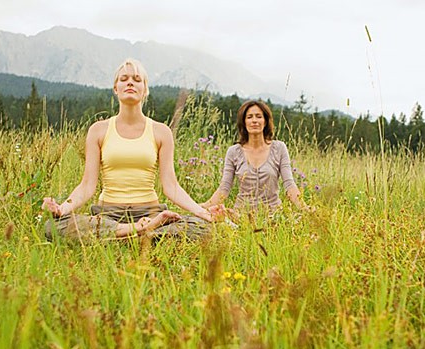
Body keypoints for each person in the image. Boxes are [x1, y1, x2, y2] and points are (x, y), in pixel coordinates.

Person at [42, 58, 214, 241]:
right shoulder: (98, 130)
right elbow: (87, 186)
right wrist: (62, 209)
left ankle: (125, 235)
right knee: (53, 226)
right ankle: (137, 232)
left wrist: (203, 213)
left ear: (145, 90)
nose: (130, 82)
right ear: (116, 88)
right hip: (109, 215)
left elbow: (171, 187)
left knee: (203, 228)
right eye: (124, 79)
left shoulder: (161, 131)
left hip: (150, 213)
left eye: (137, 79)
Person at [202, 100, 310, 216]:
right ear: (244, 122)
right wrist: (201, 207)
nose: (254, 121)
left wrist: (305, 209)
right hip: (240, 217)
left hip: (273, 217)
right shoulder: (233, 151)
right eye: (249, 117)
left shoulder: (279, 148)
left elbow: (289, 185)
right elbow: (224, 188)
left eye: (259, 116)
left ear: (265, 121)